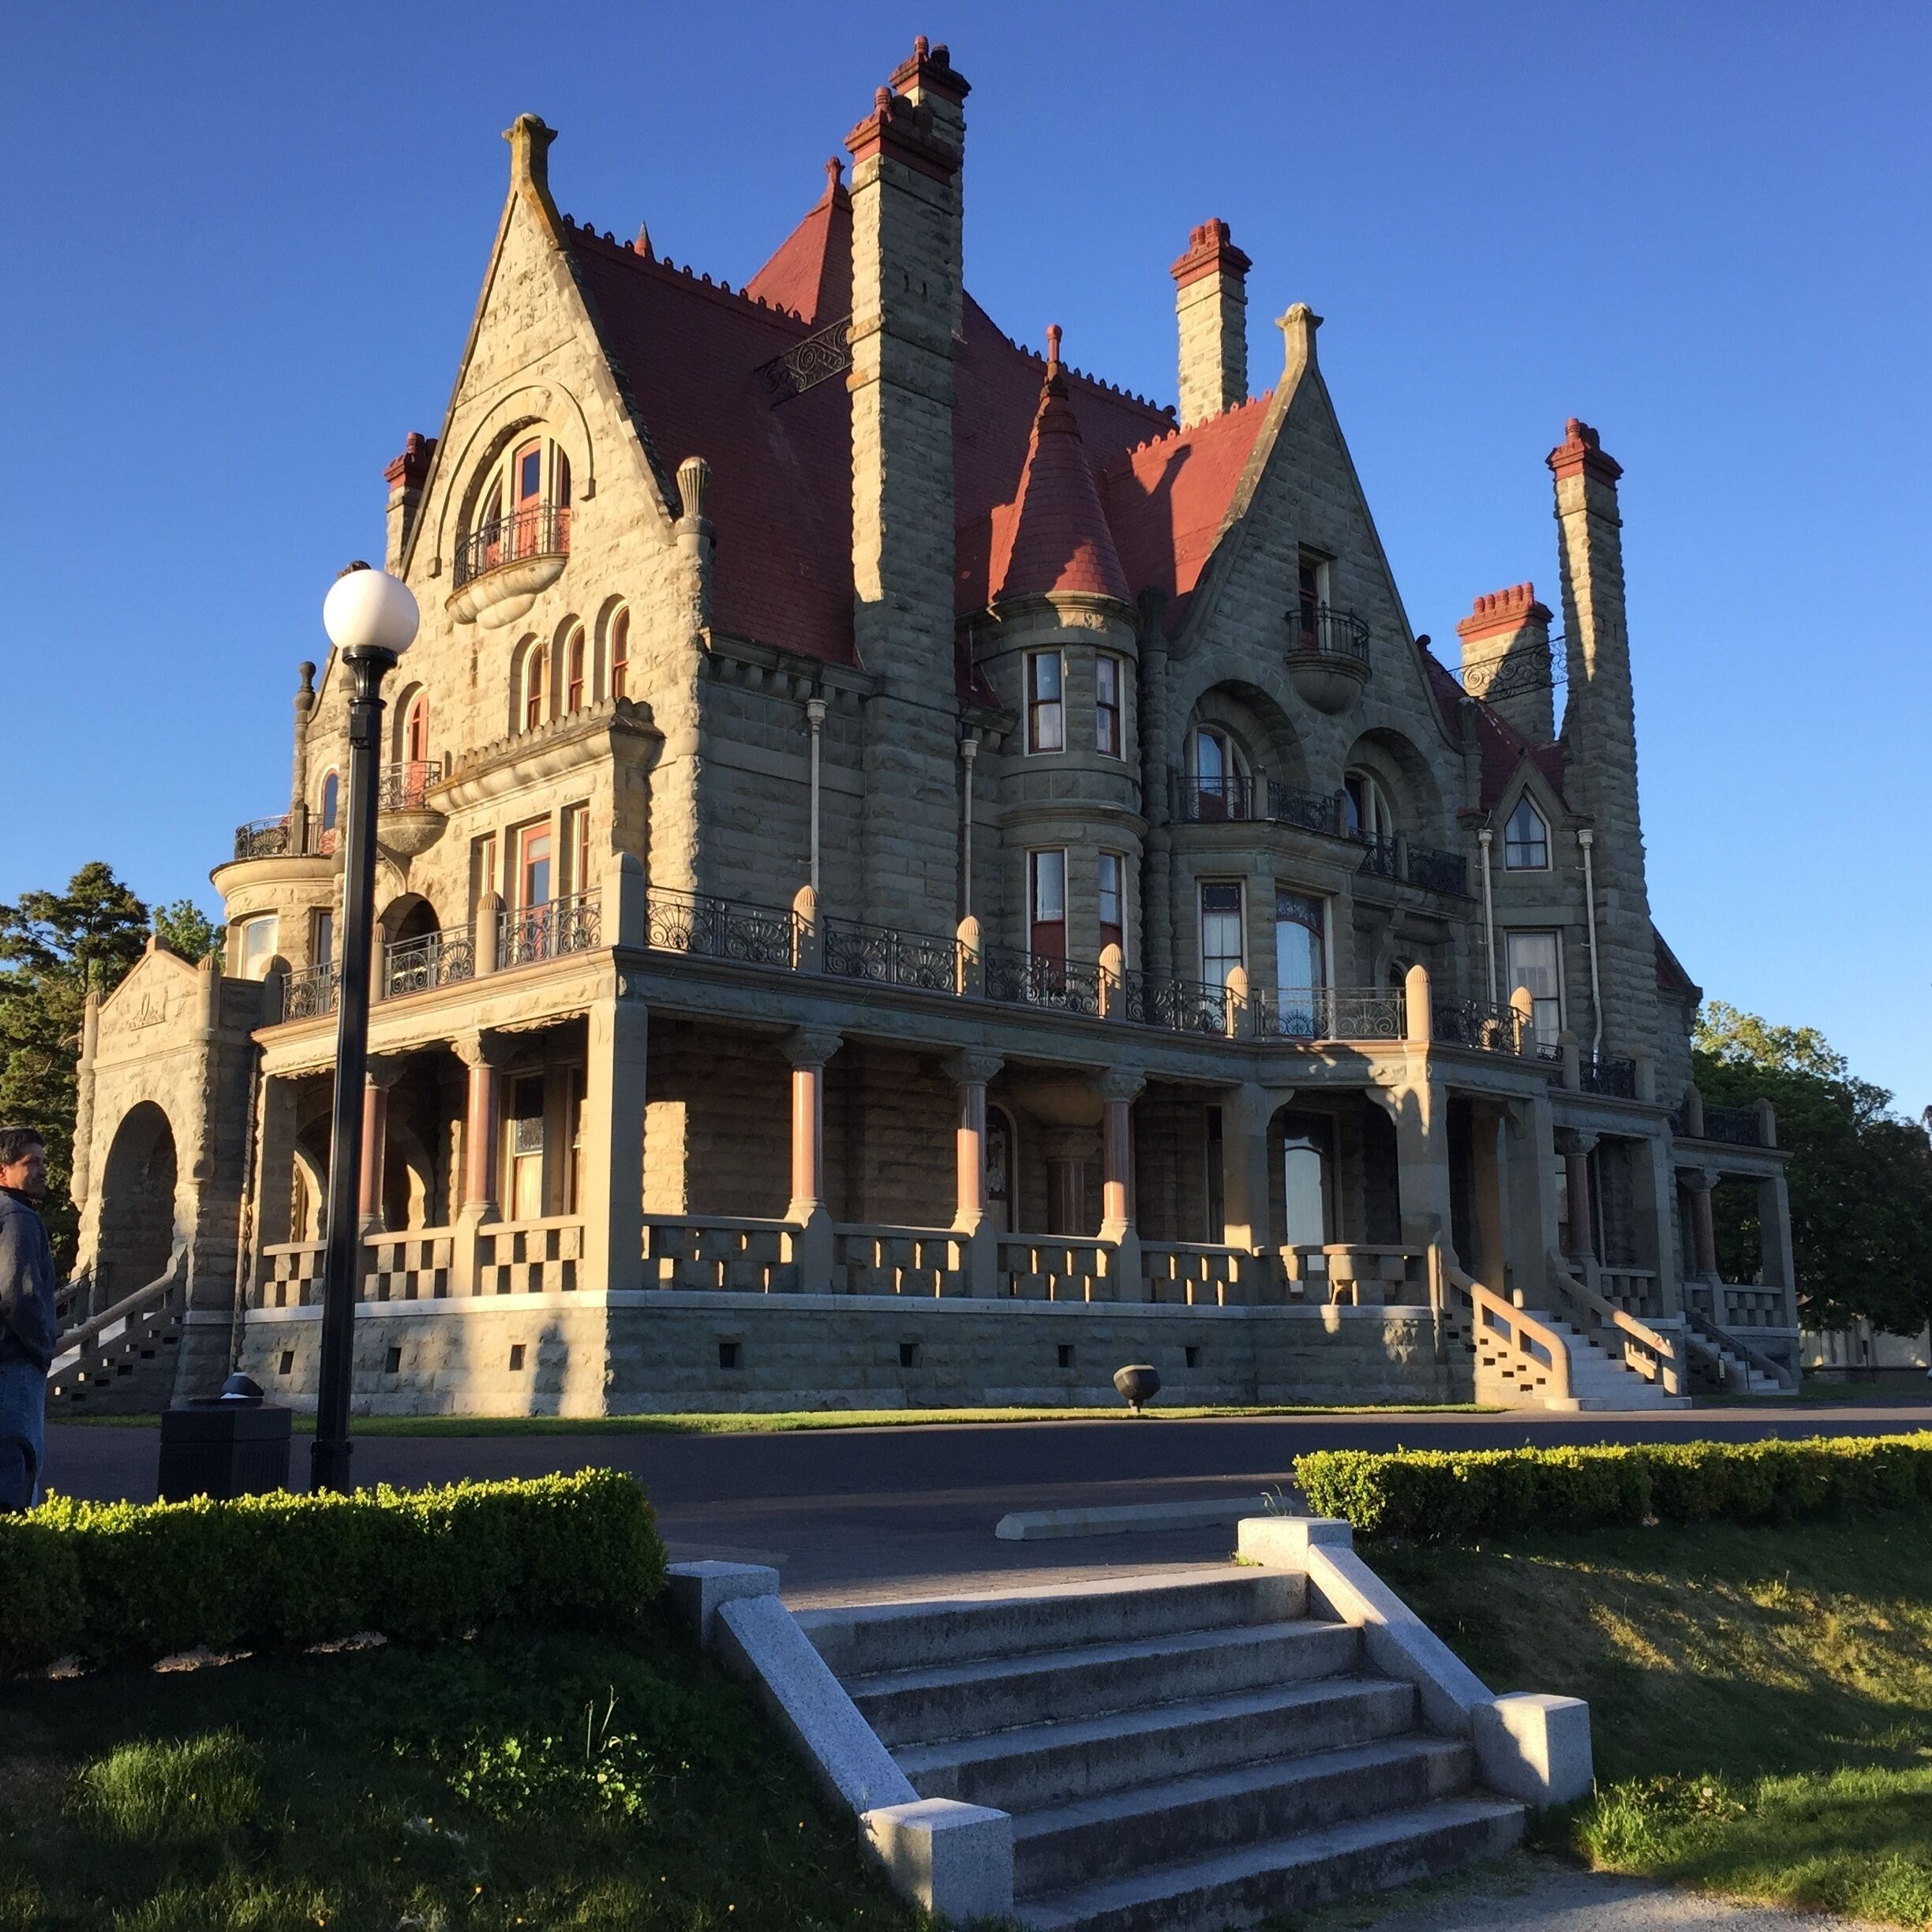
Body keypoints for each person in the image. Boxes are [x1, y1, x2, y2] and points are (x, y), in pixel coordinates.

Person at [0, 1127, 56, 1511]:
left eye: (43, 1161)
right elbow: (19, 1295)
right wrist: (43, 1349)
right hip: (15, 1362)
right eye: (29, 1162)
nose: (41, 1170)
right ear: (2, 1170)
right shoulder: (18, 1218)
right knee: (18, 1476)